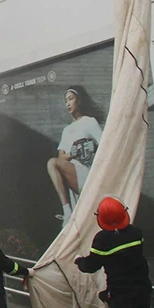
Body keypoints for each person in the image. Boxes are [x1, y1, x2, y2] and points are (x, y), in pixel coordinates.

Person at [46, 86, 104, 224]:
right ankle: (67, 211)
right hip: (73, 175)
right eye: (66, 100)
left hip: (87, 174)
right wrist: (73, 152)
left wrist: (93, 147)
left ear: (79, 101)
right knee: (51, 163)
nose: (68, 103)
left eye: (71, 99)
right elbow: (61, 158)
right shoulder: (67, 130)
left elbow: (105, 146)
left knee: (52, 163)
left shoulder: (90, 122)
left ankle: (67, 212)